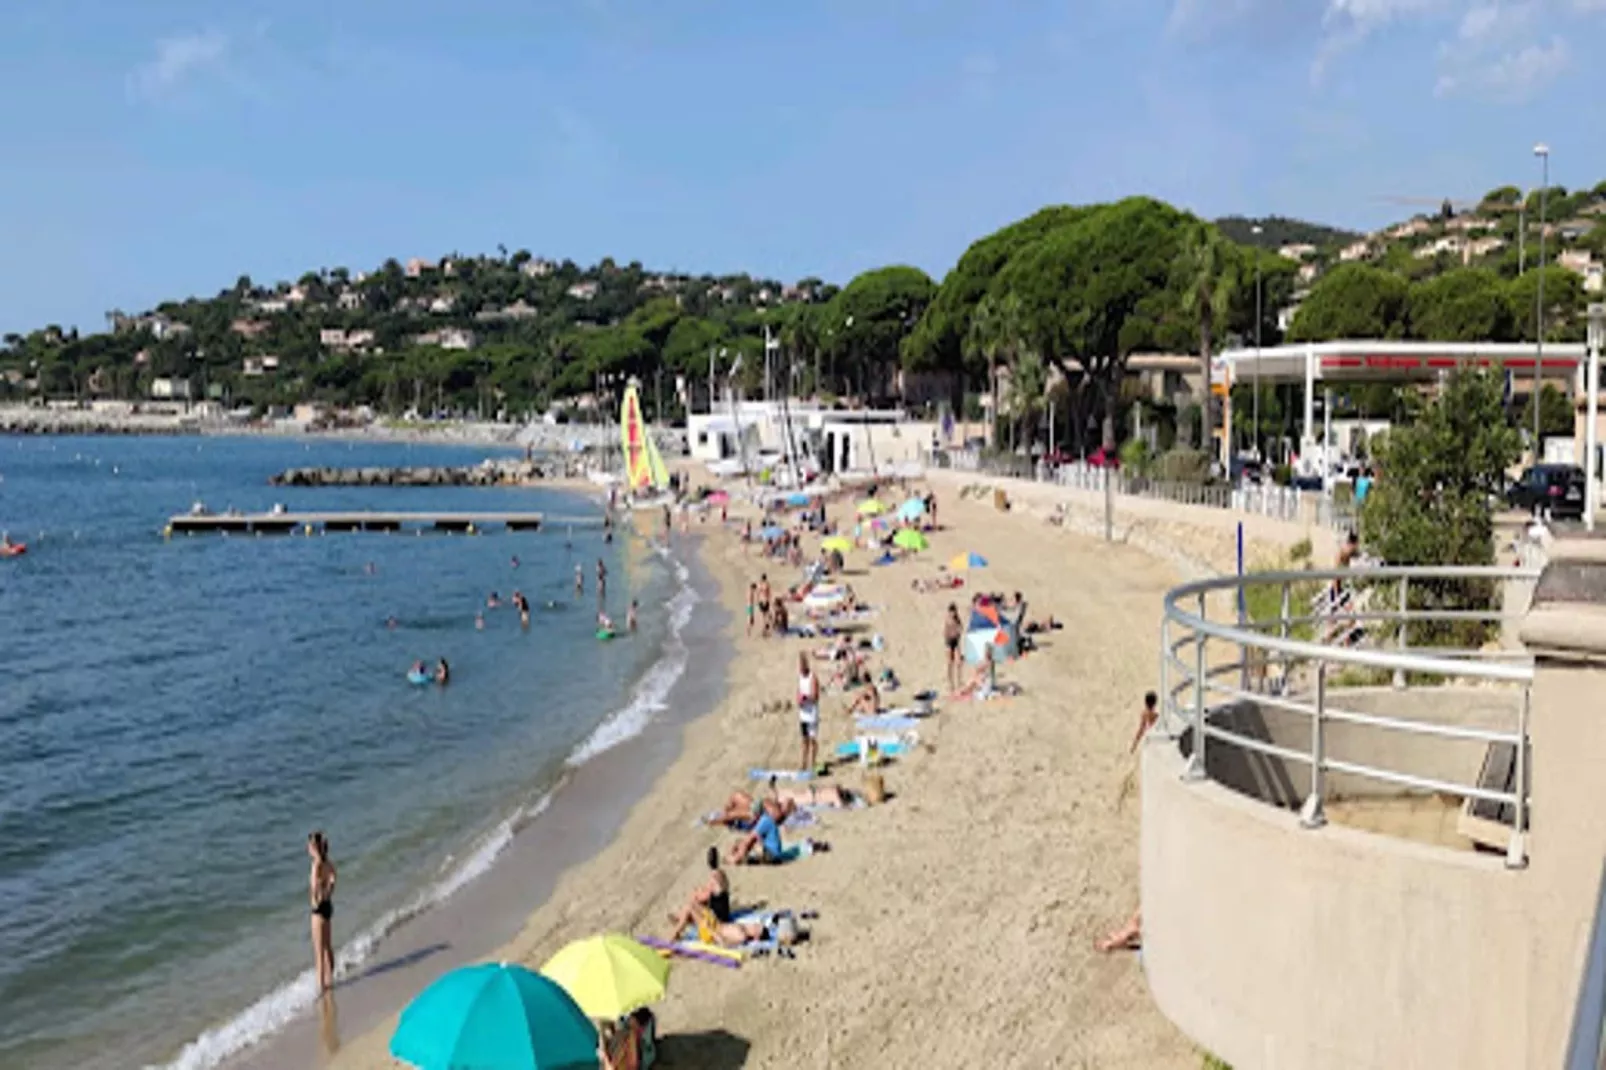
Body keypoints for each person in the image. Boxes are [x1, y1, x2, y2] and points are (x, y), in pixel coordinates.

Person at [666, 846, 731, 937]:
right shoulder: (721, 874)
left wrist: (696, 894)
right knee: (692, 906)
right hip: (722, 914)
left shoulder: (715, 877)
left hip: (718, 920)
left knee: (690, 906)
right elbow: (711, 892)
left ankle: (675, 932)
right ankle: (680, 921)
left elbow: (704, 896)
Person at [307, 831, 337, 991]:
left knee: (318, 953)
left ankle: (322, 988)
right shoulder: (327, 863)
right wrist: (328, 891)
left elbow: (314, 888)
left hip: (318, 910)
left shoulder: (316, 865)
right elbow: (333, 878)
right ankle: (330, 978)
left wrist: (318, 894)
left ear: (313, 848)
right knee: (328, 947)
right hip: (327, 906)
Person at [797, 653, 820, 774]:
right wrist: (799, 700)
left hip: (812, 714)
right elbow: (798, 692)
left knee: (812, 739)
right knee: (804, 739)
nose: (801, 668)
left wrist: (805, 698)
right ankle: (804, 762)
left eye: (802, 665)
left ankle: (813, 761)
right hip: (803, 714)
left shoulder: (813, 677)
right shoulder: (800, 677)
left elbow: (815, 696)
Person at [943, 603, 964, 693]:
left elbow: (960, 629)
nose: (953, 613)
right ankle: (950, 683)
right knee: (950, 663)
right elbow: (945, 632)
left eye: (954, 611)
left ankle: (959, 681)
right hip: (949, 642)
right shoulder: (948, 620)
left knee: (959, 662)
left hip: (956, 640)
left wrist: (957, 632)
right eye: (952, 612)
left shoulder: (957, 619)